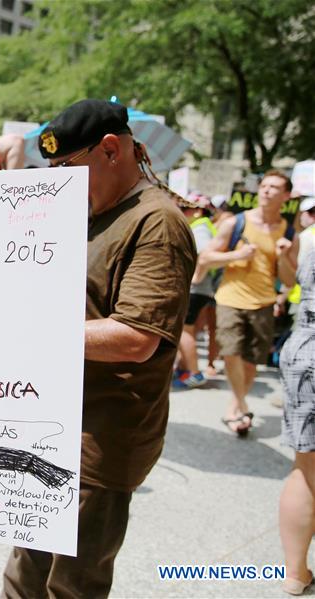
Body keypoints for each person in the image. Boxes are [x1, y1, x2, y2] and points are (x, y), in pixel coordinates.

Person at [1, 99, 195, 598]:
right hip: (50, 424)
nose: (57, 181)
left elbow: (136, 337)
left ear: (111, 150)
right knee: (23, 578)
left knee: (71, 585)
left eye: (66, 166)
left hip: (100, 438)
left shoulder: (157, 221)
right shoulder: (88, 210)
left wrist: (24, 328)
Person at [198, 171, 298, 435]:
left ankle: (235, 407)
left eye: (274, 187)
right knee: (231, 352)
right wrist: (237, 255)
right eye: (264, 186)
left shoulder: (288, 233)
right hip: (230, 298)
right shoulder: (236, 223)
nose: (266, 190)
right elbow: (206, 258)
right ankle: (242, 405)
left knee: (252, 361)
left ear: (286, 196)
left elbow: (290, 280)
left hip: (264, 301)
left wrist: (284, 256)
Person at [278, 199, 315, 594]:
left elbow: (293, 284)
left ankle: (294, 572)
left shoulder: (308, 238)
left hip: (304, 346)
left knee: (305, 466)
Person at [173, 193, 217, 390]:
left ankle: (194, 373)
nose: (181, 212)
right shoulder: (201, 226)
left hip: (195, 288)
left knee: (184, 330)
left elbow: (205, 254)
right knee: (186, 330)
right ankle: (185, 370)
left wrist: (196, 277)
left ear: (198, 210)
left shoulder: (200, 228)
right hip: (198, 288)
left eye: (184, 208)